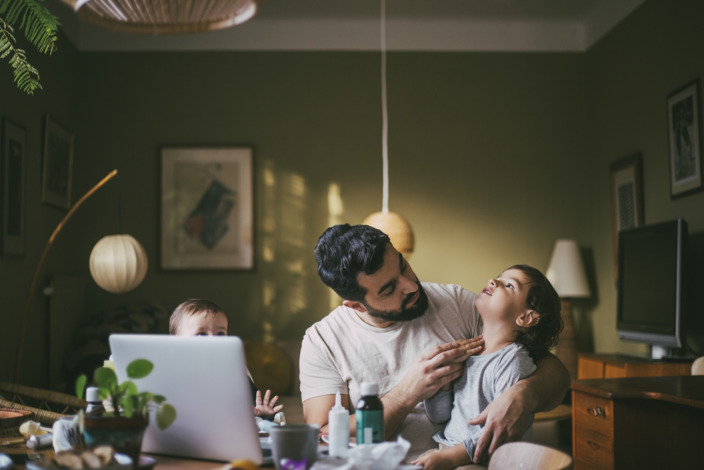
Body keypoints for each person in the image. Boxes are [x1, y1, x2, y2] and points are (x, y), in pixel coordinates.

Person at [300, 224, 570, 462]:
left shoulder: (457, 303)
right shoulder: (322, 341)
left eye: (403, 265)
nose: (411, 286)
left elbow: (551, 371)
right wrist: (408, 393)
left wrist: (523, 395)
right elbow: (324, 435)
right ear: (357, 305)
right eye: (389, 289)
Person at [413, 265, 563, 468]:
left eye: (509, 285)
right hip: (447, 451)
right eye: (500, 277)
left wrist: (450, 458)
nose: (494, 280)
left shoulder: (512, 362)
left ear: (526, 318)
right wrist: (444, 385)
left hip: (486, 461)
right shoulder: (469, 353)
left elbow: (500, 435)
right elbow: (440, 416)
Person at [170, 299, 284, 420]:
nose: (213, 339)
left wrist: (263, 413)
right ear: (176, 341)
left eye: (220, 333)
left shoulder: (236, 372)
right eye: (201, 334)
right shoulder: (171, 375)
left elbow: (255, 414)